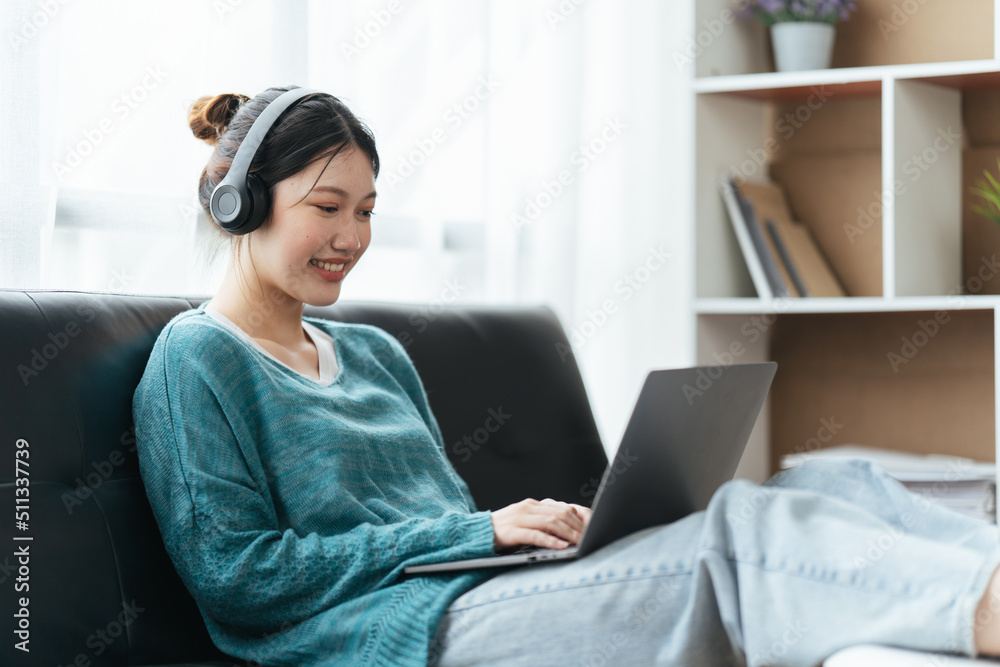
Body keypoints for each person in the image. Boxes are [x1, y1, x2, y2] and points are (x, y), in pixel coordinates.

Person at [132, 85, 1000, 667]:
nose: (352, 237)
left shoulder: (375, 353)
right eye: (326, 208)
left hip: (481, 592)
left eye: (365, 212)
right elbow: (238, 578)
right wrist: (481, 534)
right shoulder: (197, 358)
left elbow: (445, 520)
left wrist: (540, 531)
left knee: (822, 474)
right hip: (387, 636)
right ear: (238, 203)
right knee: (740, 532)